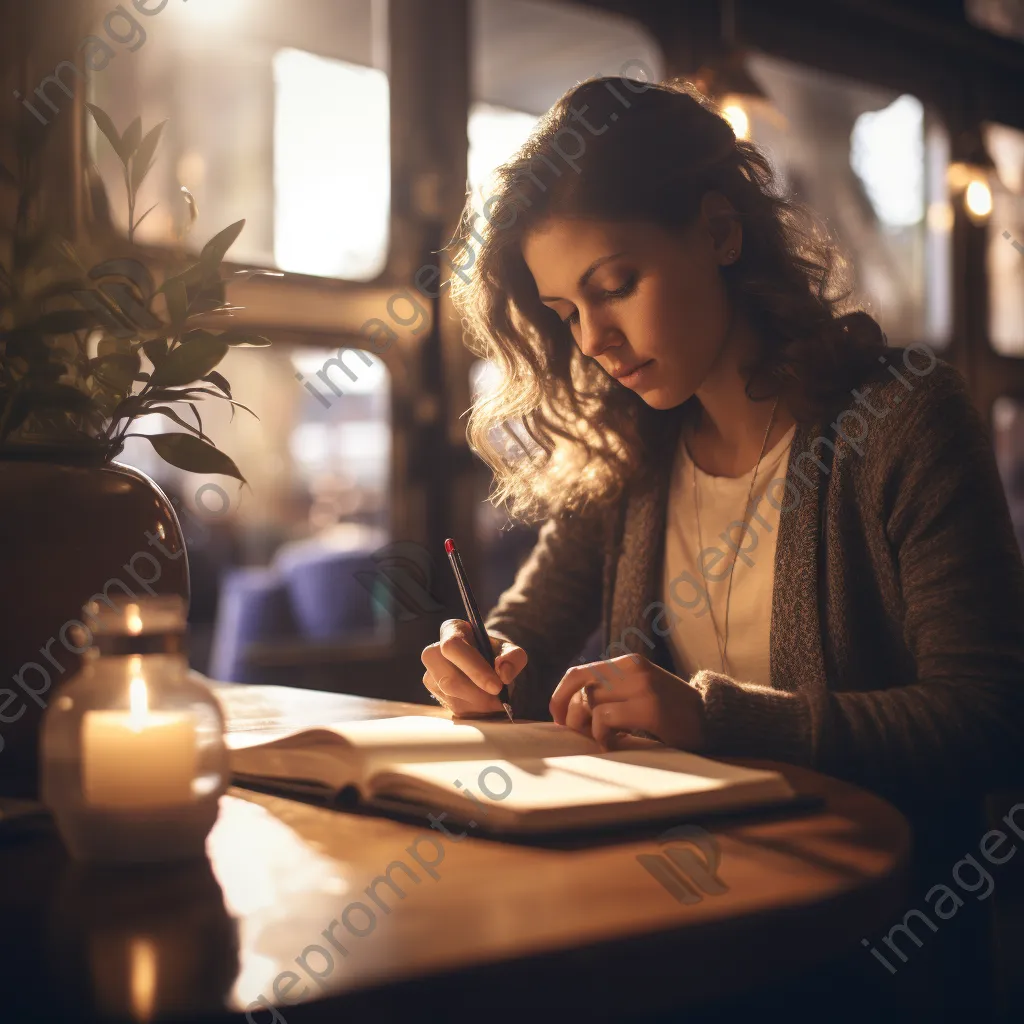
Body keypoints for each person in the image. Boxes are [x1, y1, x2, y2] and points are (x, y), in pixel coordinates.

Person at [419, 75, 1024, 830]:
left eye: (616, 285)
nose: (593, 341)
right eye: (565, 313)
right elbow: (528, 634)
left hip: (866, 910)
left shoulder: (902, 418)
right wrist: (482, 661)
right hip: (664, 886)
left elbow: (991, 718)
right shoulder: (631, 448)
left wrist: (715, 718)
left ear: (719, 234)